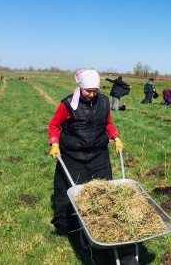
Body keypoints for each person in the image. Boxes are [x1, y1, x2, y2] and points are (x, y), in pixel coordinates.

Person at [48, 69, 124, 232]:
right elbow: (54, 125)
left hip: (98, 153)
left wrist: (115, 137)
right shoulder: (67, 104)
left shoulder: (103, 102)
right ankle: (67, 225)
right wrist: (54, 143)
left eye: (94, 91)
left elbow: (108, 124)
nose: (91, 94)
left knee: (103, 190)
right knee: (68, 191)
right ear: (81, 87)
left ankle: (101, 221)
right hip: (73, 154)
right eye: (88, 90)